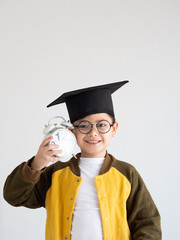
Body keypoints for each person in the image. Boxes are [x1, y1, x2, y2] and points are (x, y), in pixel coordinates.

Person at [3, 81, 162, 240]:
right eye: (84, 126)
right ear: (71, 132)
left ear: (114, 129)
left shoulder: (127, 173)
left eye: (102, 125)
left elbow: (147, 221)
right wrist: (37, 164)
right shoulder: (55, 174)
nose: (93, 133)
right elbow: (14, 197)